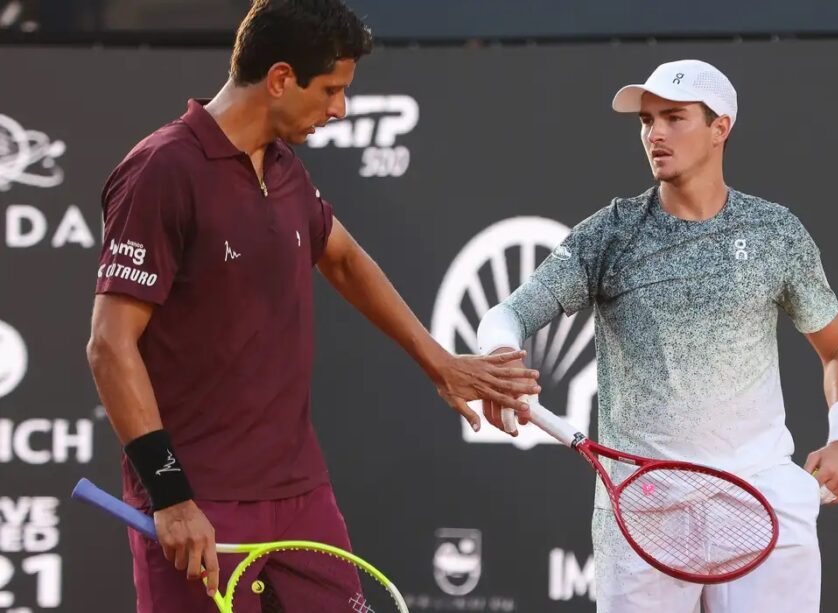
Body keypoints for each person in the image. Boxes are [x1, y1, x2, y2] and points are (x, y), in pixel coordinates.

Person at [85, 1, 540, 610]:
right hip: (199, 503)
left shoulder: (285, 168)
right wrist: (171, 497)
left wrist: (441, 362)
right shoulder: (162, 169)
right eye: (331, 89)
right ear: (279, 79)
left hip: (300, 494)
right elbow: (110, 345)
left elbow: (344, 258)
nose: (339, 108)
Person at [476, 59, 838, 613]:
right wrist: (499, 360)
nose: (654, 133)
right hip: (643, 506)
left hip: (761, 498)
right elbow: (507, 315)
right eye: (647, 120)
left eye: (674, 118)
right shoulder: (607, 235)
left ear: (720, 128)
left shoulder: (776, 233)